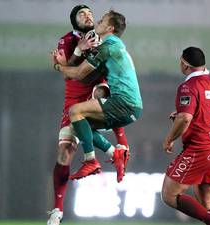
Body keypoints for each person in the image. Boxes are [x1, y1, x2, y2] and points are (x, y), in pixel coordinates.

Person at [47, 5, 129, 225]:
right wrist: (78, 50)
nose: (88, 16)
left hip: (96, 90)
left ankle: (117, 147)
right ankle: (57, 210)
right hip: (73, 98)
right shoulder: (66, 41)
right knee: (64, 153)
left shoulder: (103, 38)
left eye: (90, 13)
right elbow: (66, 72)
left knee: (103, 93)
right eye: (82, 14)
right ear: (74, 20)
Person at [51, 10, 142, 183]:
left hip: (124, 104)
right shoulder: (115, 45)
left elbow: (77, 74)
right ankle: (115, 154)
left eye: (102, 20)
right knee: (78, 126)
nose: (97, 21)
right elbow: (86, 77)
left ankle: (91, 160)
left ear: (110, 27)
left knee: (75, 112)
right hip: (132, 108)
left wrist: (58, 66)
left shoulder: (106, 47)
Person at [161, 47, 210, 225]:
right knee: (207, 201)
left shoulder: (188, 86)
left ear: (184, 64)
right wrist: (186, 113)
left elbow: (185, 119)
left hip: (199, 150)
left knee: (169, 195)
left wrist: (169, 139)